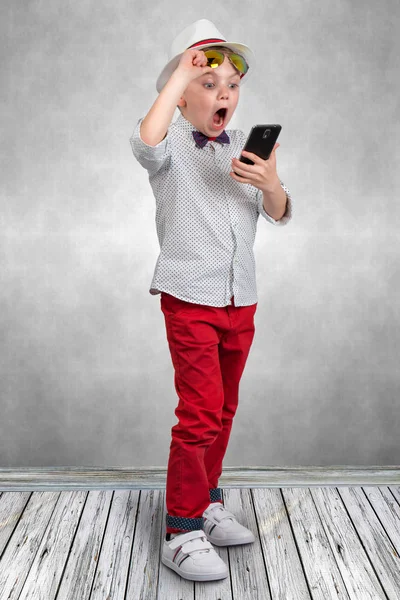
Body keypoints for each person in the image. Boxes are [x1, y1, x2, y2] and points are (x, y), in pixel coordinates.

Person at [130, 18, 293, 582]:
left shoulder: (243, 151)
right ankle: (180, 527)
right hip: (191, 298)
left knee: (223, 410)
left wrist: (269, 182)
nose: (223, 92)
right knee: (198, 413)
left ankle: (206, 501)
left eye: (231, 83)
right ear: (179, 93)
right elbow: (143, 140)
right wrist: (181, 72)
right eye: (207, 81)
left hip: (239, 298)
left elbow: (277, 210)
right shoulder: (170, 144)